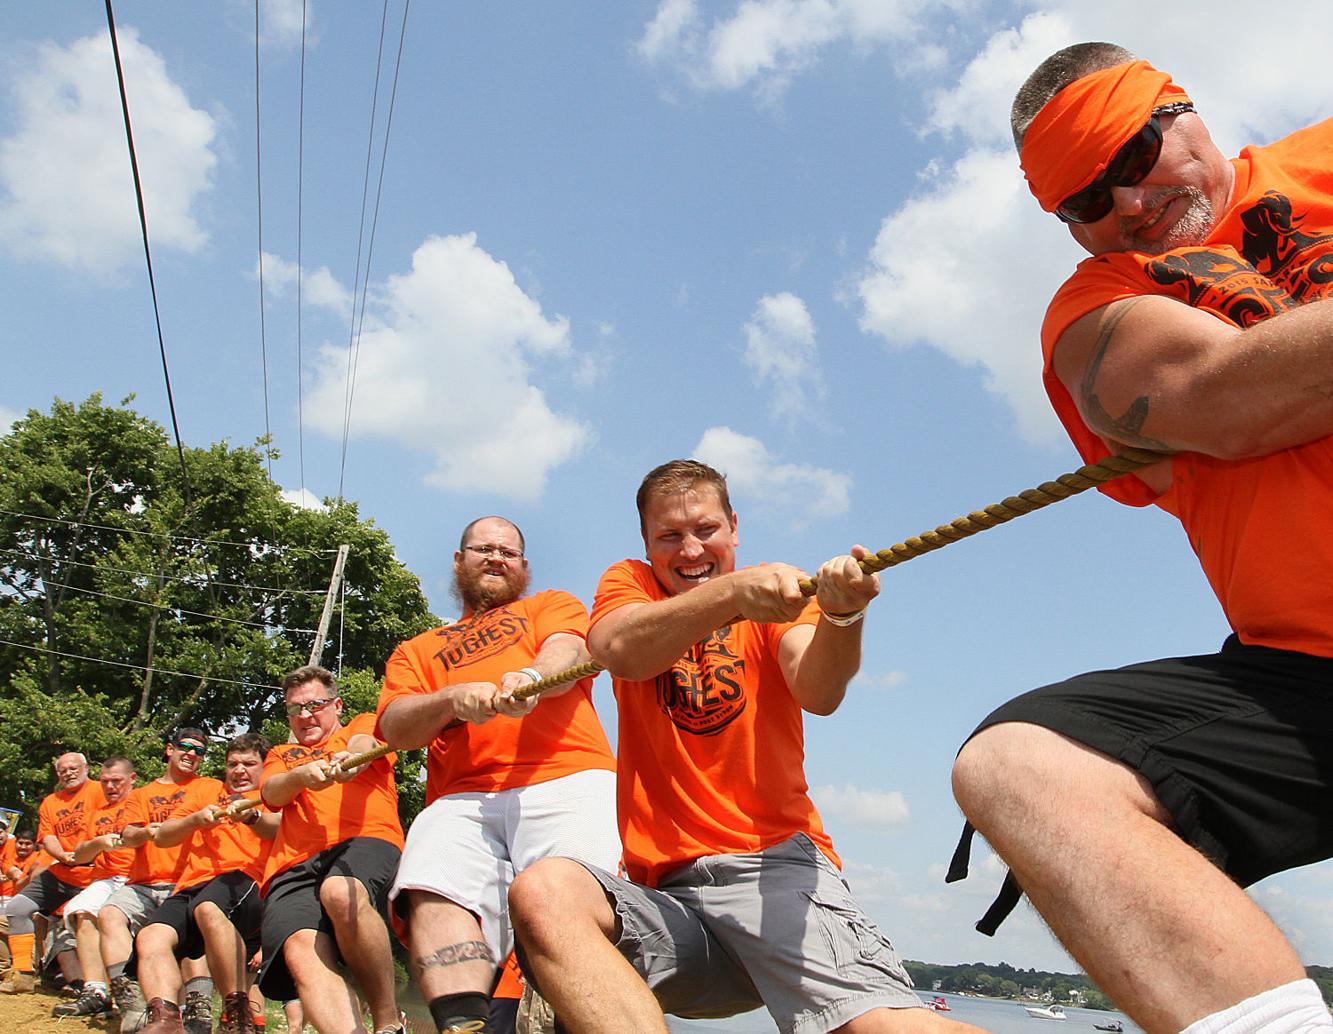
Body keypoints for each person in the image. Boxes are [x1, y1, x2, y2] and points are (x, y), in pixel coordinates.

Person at [948, 42, 1333, 1034]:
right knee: (1018, 765)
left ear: (1179, 108)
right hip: (1312, 673)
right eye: (1084, 200)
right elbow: (1227, 402)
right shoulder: (1093, 313)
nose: (1122, 203)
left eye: (1129, 157)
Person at [509, 460, 981, 1034]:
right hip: (668, 901)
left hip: (774, 870)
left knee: (882, 1028)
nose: (690, 550)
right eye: (670, 536)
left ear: (735, 526)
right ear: (646, 543)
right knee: (542, 893)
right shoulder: (630, 583)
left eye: (705, 530)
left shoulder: (781, 598)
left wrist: (843, 615)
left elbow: (818, 690)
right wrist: (732, 591)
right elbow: (618, 649)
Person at [376, 515, 619, 1034]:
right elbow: (396, 726)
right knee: (431, 879)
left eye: (508, 552)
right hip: (463, 797)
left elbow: (571, 648)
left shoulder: (548, 605)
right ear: (458, 560)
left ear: (524, 567)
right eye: (483, 548)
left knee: (577, 906)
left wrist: (531, 677)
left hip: (566, 776)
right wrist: (449, 699)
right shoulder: (417, 650)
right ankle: (463, 1024)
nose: (495, 557)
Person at [257, 665, 406, 1034]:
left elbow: (366, 745)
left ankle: (388, 1022)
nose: (305, 715)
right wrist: (300, 776)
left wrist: (349, 762)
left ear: (337, 705)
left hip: (366, 839)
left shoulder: (362, 724)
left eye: (315, 705)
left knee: (340, 891)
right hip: (292, 864)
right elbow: (271, 791)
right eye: (294, 709)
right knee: (300, 949)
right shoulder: (281, 753)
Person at [135, 732, 279, 1034]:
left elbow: (279, 828)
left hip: (246, 878)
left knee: (208, 908)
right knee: (150, 936)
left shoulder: (273, 795)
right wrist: (194, 821)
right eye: (232, 764)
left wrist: (252, 815)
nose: (239, 770)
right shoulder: (207, 792)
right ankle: (165, 1018)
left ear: (265, 767)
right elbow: (162, 836)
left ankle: (237, 1013)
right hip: (193, 884)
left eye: (249, 764)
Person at [109, 728, 214, 1033]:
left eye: (200, 750)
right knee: (110, 913)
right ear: (170, 749)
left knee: (193, 926)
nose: (191, 753)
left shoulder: (207, 787)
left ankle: (198, 1008)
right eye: (185, 746)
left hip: (188, 880)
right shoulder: (141, 795)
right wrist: (148, 832)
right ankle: (133, 1004)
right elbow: (128, 835)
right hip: (143, 882)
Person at [0, 751, 101, 994]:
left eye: (74, 767)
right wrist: (63, 856)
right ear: (58, 774)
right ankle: (23, 974)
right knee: (17, 908)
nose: (69, 772)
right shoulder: (51, 802)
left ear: (86, 768)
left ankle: (95, 986)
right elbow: (48, 837)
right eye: (63, 769)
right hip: (61, 872)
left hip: (96, 874)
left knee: (77, 925)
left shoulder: (100, 791)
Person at [53, 755, 139, 1019]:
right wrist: (99, 843)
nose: (110, 787)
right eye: (105, 782)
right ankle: (96, 991)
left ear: (132, 779)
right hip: (106, 878)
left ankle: (130, 992)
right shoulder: (98, 812)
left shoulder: (142, 802)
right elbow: (79, 855)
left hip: (136, 877)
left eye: (117, 781)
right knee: (82, 910)